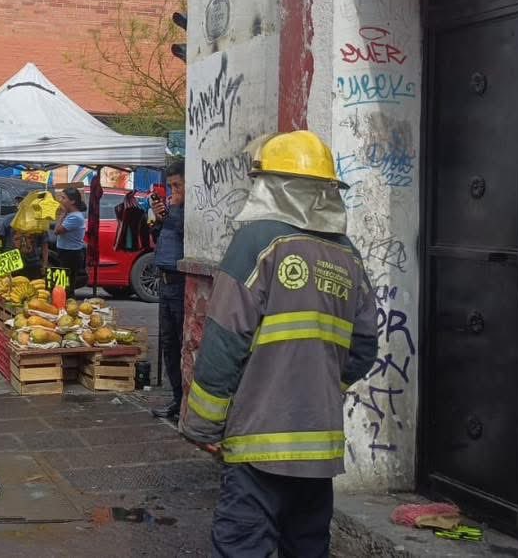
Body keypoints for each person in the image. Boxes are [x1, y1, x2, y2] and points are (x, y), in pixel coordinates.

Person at [179, 131, 378, 558]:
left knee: (244, 546)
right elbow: (363, 351)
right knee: (306, 547)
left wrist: (202, 426)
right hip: (318, 451)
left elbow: (223, 344)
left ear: (270, 186)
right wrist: (316, 388)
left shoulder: (258, 242)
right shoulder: (349, 256)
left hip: (258, 446)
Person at [151, 160, 187, 422]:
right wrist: (159, 219)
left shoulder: (189, 210)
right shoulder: (174, 210)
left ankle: (187, 401)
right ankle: (177, 397)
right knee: (169, 345)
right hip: (165, 281)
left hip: (180, 281)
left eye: (178, 185)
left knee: (183, 343)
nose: (174, 191)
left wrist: (172, 211)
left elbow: (187, 233)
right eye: (171, 185)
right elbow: (161, 238)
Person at [52, 187, 89, 291]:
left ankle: (66, 303)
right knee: (63, 284)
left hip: (71, 254)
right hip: (65, 252)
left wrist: (62, 214)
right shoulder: (71, 215)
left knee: (66, 286)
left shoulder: (75, 217)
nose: (60, 200)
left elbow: (57, 231)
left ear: (72, 201)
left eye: (63, 198)